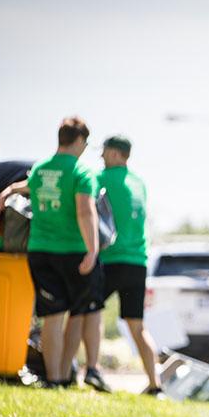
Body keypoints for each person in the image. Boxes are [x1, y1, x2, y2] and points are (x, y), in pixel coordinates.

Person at [0, 117, 102, 387]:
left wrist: (9, 189)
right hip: (73, 252)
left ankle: (53, 379)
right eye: (86, 142)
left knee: (51, 317)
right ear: (78, 140)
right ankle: (66, 375)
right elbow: (85, 210)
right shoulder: (81, 172)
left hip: (40, 251)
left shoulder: (41, 168)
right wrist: (92, 250)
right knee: (76, 314)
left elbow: (27, 186)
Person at [66, 135, 161, 395]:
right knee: (137, 326)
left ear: (117, 154)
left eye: (105, 153)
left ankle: (83, 370)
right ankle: (155, 385)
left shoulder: (99, 179)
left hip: (108, 261)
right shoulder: (140, 182)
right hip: (137, 263)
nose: (101, 157)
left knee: (86, 312)